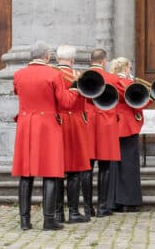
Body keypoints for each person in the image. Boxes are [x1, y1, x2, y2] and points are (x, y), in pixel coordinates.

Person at [12, 41, 80, 230]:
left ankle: (24, 220)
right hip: (48, 125)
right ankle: (49, 220)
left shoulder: (18, 74)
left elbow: (18, 91)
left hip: (26, 125)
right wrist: (74, 89)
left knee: (26, 174)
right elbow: (65, 102)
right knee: (50, 172)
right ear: (47, 56)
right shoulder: (53, 74)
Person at [81, 49, 121, 218]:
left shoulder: (82, 77)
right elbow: (122, 96)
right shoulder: (112, 78)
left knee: (87, 167)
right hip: (106, 125)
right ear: (104, 62)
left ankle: (88, 208)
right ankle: (103, 207)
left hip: (88, 123)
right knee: (105, 167)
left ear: (91, 61)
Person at [107, 57, 150, 212]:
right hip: (127, 125)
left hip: (112, 124)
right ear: (125, 68)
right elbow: (142, 101)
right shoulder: (128, 83)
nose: (130, 71)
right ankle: (129, 201)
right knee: (129, 164)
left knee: (113, 165)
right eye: (129, 68)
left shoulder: (109, 81)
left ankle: (113, 202)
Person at [54, 45, 91, 224]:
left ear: (57, 58)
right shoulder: (78, 75)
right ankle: (74, 212)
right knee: (74, 170)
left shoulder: (51, 74)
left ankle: (58, 213)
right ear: (73, 60)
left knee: (58, 170)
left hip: (57, 123)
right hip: (75, 123)